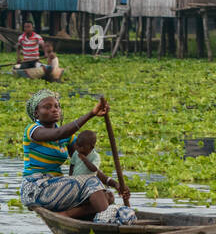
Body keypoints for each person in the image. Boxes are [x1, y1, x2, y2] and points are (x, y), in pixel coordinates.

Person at [20, 90, 132, 222]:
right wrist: (91, 114)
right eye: (47, 107)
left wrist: (114, 184)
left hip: (56, 186)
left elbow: (87, 165)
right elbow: (58, 133)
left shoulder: (67, 137)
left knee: (107, 196)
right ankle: (107, 220)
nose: (54, 110)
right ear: (36, 113)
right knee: (92, 183)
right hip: (36, 189)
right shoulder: (32, 130)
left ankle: (67, 215)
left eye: (56, 106)